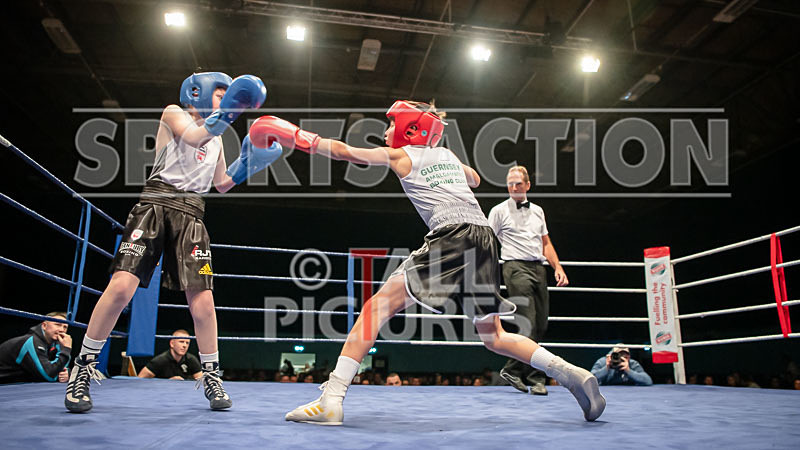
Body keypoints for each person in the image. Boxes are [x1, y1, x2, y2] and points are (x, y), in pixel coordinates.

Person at [251, 100, 605, 425]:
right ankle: (571, 373)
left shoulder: (400, 155)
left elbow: (345, 152)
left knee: (375, 308)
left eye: (392, 124)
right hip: (484, 239)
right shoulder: (447, 155)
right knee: (494, 336)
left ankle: (331, 400)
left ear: (410, 129)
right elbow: (475, 178)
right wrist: (446, 161)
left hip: (452, 234)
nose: (386, 131)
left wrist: (295, 136)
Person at [64, 71, 281, 413]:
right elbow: (193, 137)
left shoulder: (218, 138)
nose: (225, 99)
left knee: (203, 302)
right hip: (155, 206)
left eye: (229, 95)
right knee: (121, 288)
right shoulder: (174, 113)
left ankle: (211, 375)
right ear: (198, 92)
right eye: (220, 93)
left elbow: (222, 183)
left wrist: (250, 163)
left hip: (192, 216)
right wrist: (230, 114)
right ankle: (83, 368)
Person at [488, 165, 568, 396]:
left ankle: (512, 369)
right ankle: (536, 378)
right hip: (515, 268)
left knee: (541, 324)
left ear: (527, 185)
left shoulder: (538, 211)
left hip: (538, 268)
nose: (513, 188)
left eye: (518, 184)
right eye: (510, 184)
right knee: (529, 323)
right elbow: (487, 241)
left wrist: (558, 267)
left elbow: (546, 243)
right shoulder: (498, 211)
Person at [0, 312, 72, 383]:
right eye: (58, 325)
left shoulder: (55, 343)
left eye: (65, 327)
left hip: (18, 383)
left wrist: (66, 373)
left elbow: (59, 369)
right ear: (44, 326)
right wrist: (66, 349)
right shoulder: (30, 342)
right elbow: (49, 376)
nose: (62, 330)